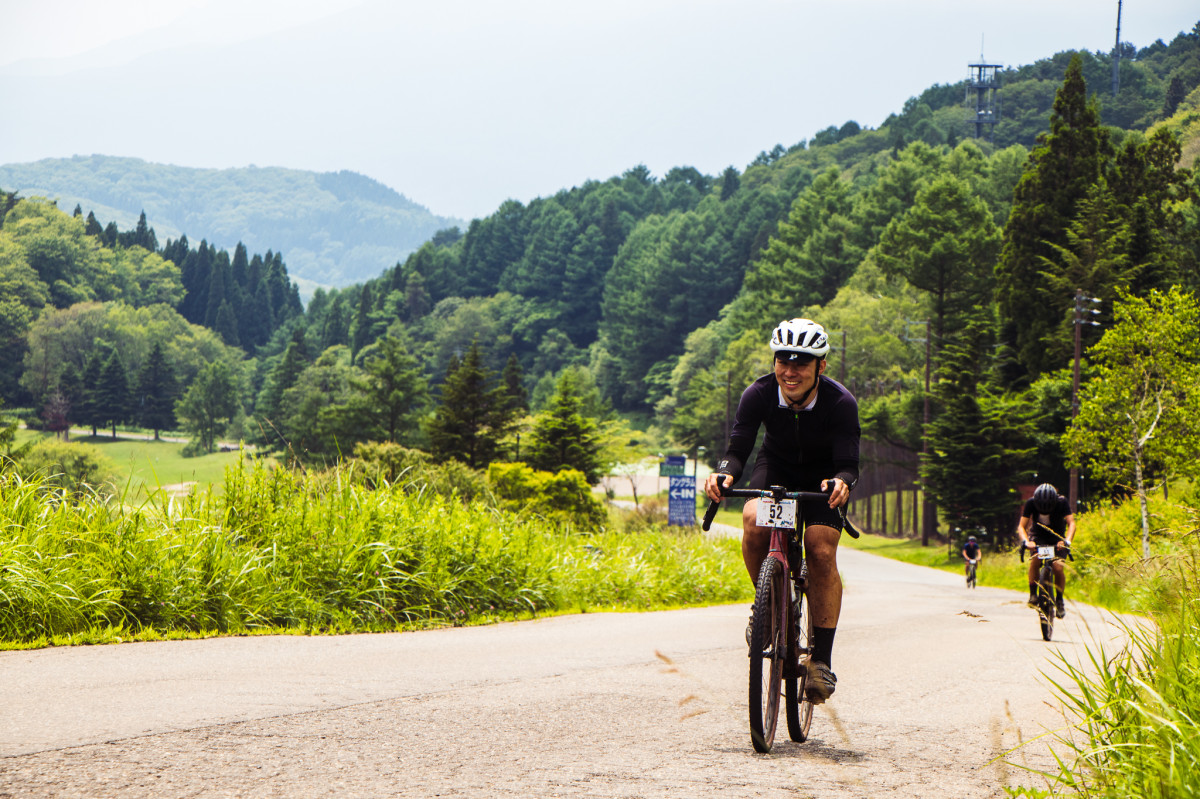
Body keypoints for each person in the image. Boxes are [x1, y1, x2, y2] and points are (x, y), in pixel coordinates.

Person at [703, 318, 860, 705]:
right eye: (783, 362)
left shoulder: (840, 402)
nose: (790, 372)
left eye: (802, 363)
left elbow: (848, 463)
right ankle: (769, 607)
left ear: (820, 366)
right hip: (777, 467)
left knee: (820, 548)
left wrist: (842, 481)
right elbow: (738, 449)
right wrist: (723, 475)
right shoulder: (757, 394)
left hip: (824, 478)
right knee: (754, 521)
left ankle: (820, 660)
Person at [1017, 483, 1075, 618]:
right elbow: (1021, 526)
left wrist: (1067, 541)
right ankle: (1033, 594)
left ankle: (1059, 600)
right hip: (1038, 537)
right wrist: (1027, 542)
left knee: (1058, 567)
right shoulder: (1031, 503)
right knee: (1036, 560)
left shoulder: (1062, 502)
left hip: (1058, 538)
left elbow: (1071, 523)